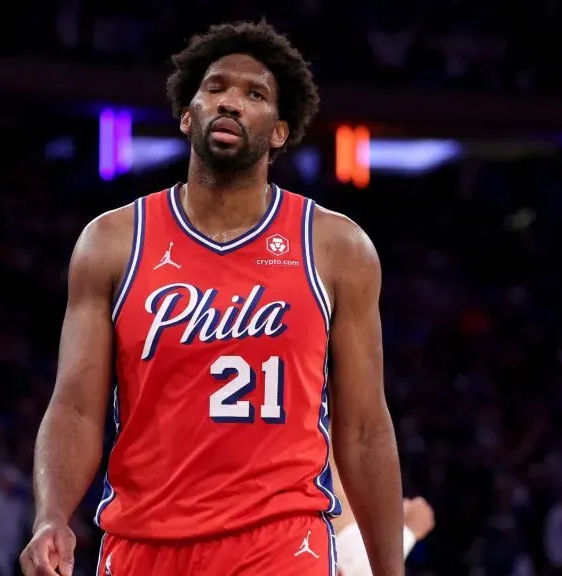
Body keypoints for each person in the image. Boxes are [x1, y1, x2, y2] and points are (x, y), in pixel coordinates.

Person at [20, 20, 404, 576]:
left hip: (280, 542)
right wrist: (51, 514)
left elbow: (366, 429)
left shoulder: (337, 247)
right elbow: (76, 407)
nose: (231, 102)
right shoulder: (113, 241)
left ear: (279, 132)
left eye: (256, 95)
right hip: (142, 542)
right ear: (187, 115)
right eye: (216, 87)